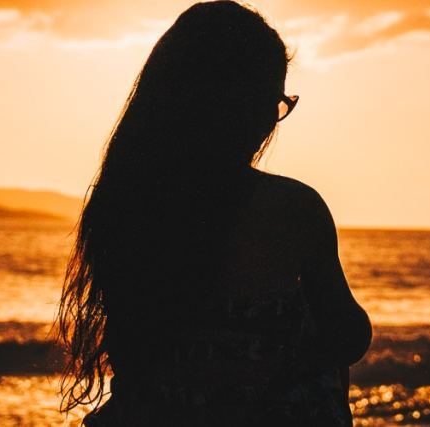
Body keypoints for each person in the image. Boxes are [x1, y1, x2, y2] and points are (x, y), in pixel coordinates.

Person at [55, 2, 371, 425]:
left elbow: (133, 350)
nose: (272, 119)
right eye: (272, 100)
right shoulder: (292, 209)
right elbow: (346, 336)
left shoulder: (122, 201)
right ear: (244, 104)